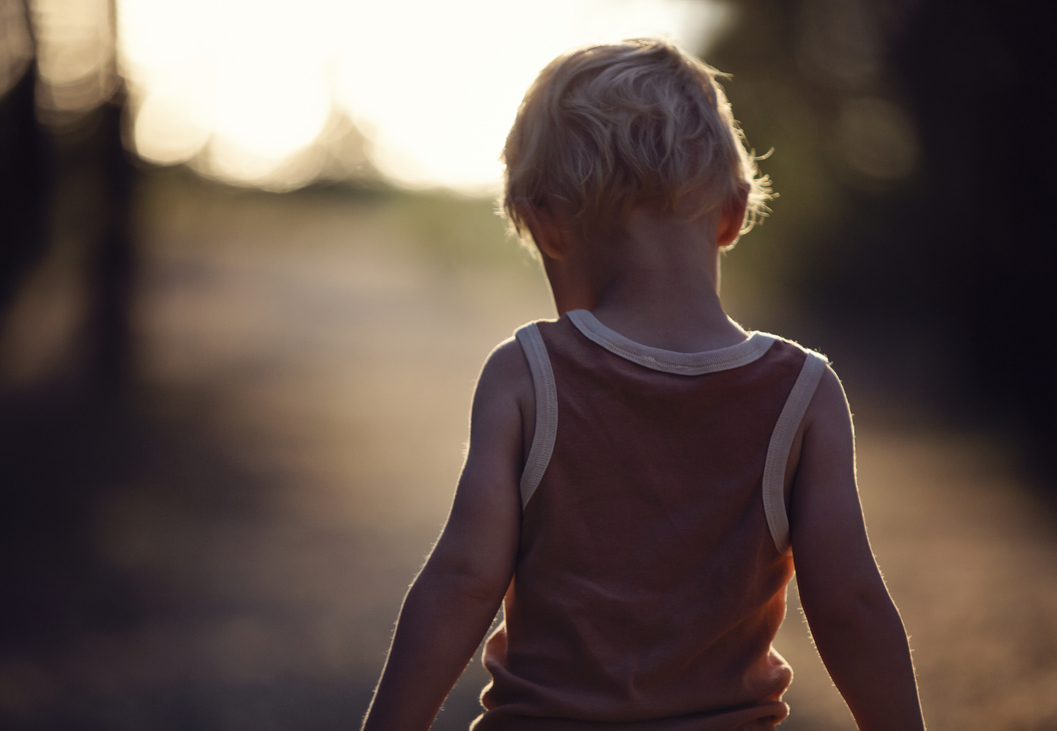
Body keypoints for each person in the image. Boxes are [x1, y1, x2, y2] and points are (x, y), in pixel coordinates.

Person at [361, 39, 926, 731]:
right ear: (733, 213)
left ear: (545, 225)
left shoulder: (527, 372)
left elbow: (463, 578)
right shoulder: (802, 393)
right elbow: (849, 604)